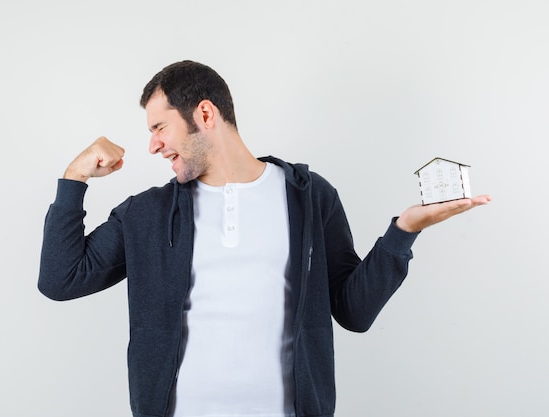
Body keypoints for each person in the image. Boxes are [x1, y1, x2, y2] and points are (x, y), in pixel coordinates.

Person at [38, 60, 491, 417]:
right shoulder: (147, 213)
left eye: (159, 127)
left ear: (205, 113)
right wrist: (74, 178)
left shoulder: (311, 197)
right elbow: (61, 279)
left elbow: (353, 311)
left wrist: (403, 232)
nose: (153, 145)